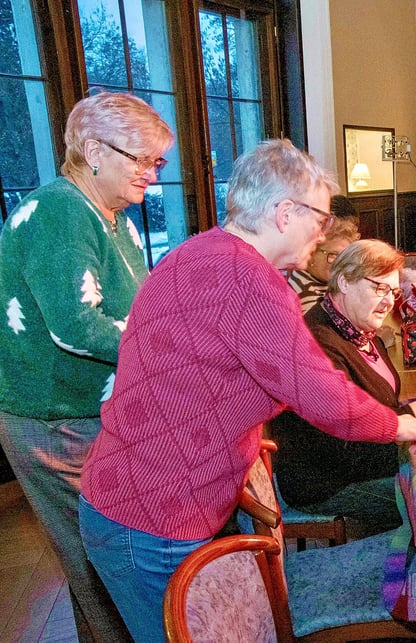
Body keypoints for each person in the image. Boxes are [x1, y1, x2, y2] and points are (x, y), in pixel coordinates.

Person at [78, 139, 416, 641]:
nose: (325, 234)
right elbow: (323, 395)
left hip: (133, 498)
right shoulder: (249, 280)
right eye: (321, 219)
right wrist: (398, 424)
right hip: (152, 514)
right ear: (286, 212)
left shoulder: (199, 250)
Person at [0, 91, 174, 643]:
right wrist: (169, 355)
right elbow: (74, 325)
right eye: (141, 159)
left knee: (106, 557)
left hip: (89, 409)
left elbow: (135, 308)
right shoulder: (60, 210)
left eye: (157, 162)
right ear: (94, 150)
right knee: (101, 557)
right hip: (53, 417)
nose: (152, 175)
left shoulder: (110, 213)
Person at [269, 239, 416, 533]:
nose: (388, 302)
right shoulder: (319, 345)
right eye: (378, 288)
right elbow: (343, 448)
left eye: (393, 292)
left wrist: (415, 419)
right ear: (344, 281)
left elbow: (379, 407)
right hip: (329, 483)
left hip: (362, 462)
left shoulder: (356, 330)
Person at [288, 194, 361, 312]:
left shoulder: (324, 282)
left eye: (344, 256)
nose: (341, 264)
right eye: (334, 255)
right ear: (312, 252)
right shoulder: (306, 294)